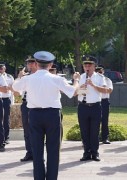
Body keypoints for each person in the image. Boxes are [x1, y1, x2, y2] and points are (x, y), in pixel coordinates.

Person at [12, 51, 80, 180]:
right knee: (53, 150)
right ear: (51, 64)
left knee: (37, 151)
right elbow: (74, 92)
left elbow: (14, 88)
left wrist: (20, 76)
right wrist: (76, 80)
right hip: (52, 115)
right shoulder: (57, 79)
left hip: (34, 115)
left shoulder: (28, 78)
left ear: (36, 64)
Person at [77, 55, 107, 162]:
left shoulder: (100, 77)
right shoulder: (80, 77)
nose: (87, 66)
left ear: (94, 66)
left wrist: (93, 85)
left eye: (89, 64)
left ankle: (95, 153)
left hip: (95, 107)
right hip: (83, 106)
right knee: (84, 131)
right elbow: (76, 93)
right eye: (85, 64)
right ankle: (86, 152)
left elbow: (105, 90)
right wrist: (82, 87)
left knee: (94, 131)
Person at [19, 56, 37, 162]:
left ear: (36, 64)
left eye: (31, 63)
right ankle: (29, 152)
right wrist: (20, 78)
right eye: (28, 63)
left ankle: (36, 152)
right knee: (26, 130)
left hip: (35, 104)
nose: (29, 65)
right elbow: (17, 91)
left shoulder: (39, 76)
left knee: (36, 130)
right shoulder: (25, 77)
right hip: (25, 104)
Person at [0, 63, 14, 144]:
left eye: (1, 68)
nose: (0, 70)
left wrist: (12, 101)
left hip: (6, 99)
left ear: (5, 69)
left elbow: (13, 89)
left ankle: (6, 137)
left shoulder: (9, 77)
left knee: (6, 119)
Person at [95, 65, 113, 144]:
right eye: (98, 72)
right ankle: (95, 138)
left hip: (104, 101)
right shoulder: (92, 81)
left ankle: (105, 137)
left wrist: (100, 89)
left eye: (101, 72)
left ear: (103, 72)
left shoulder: (107, 80)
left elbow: (109, 90)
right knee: (95, 121)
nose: (100, 74)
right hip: (95, 102)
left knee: (105, 120)